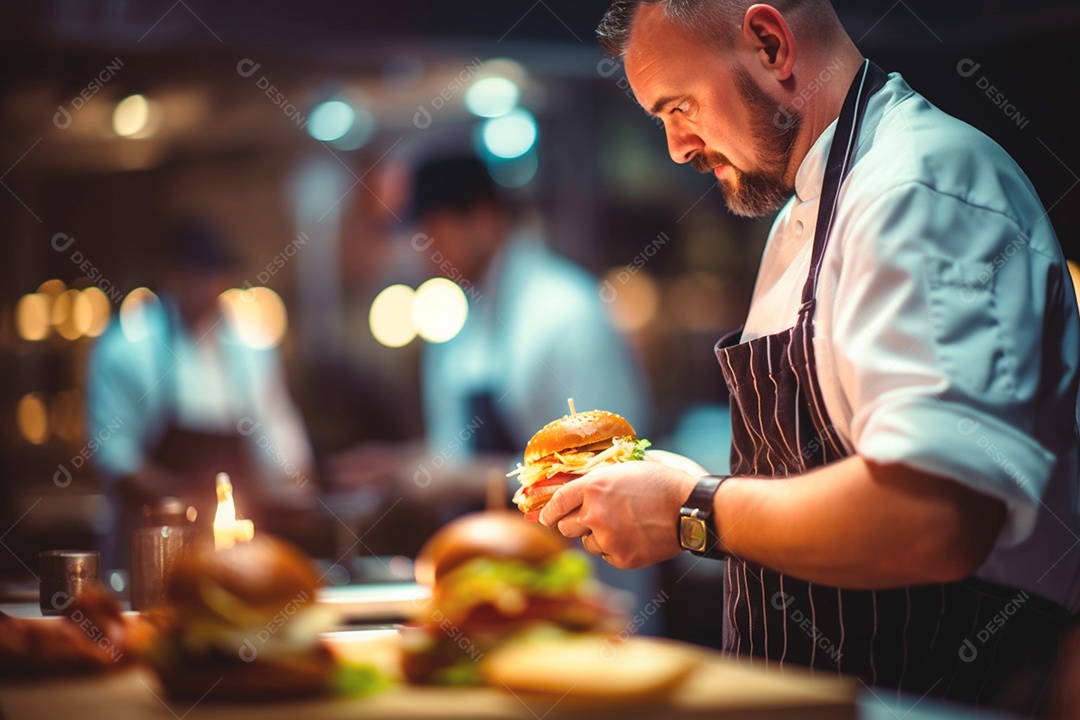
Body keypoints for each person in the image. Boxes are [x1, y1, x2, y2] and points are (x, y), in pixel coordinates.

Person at [540, 0, 1080, 713]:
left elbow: (935, 518)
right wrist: (688, 488)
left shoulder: (916, 188)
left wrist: (692, 507)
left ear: (769, 44)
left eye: (679, 106)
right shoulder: (808, 212)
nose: (676, 146)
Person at [86, 219, 315, 573]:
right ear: (170, 274)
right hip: (152, 556)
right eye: (196, 274)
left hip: (237, 558)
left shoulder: (250, 348)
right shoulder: (128, 347)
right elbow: (117, 460)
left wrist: (295, 488)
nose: (207, 287)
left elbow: (280, 440)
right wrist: (187, 501)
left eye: (216, 275)